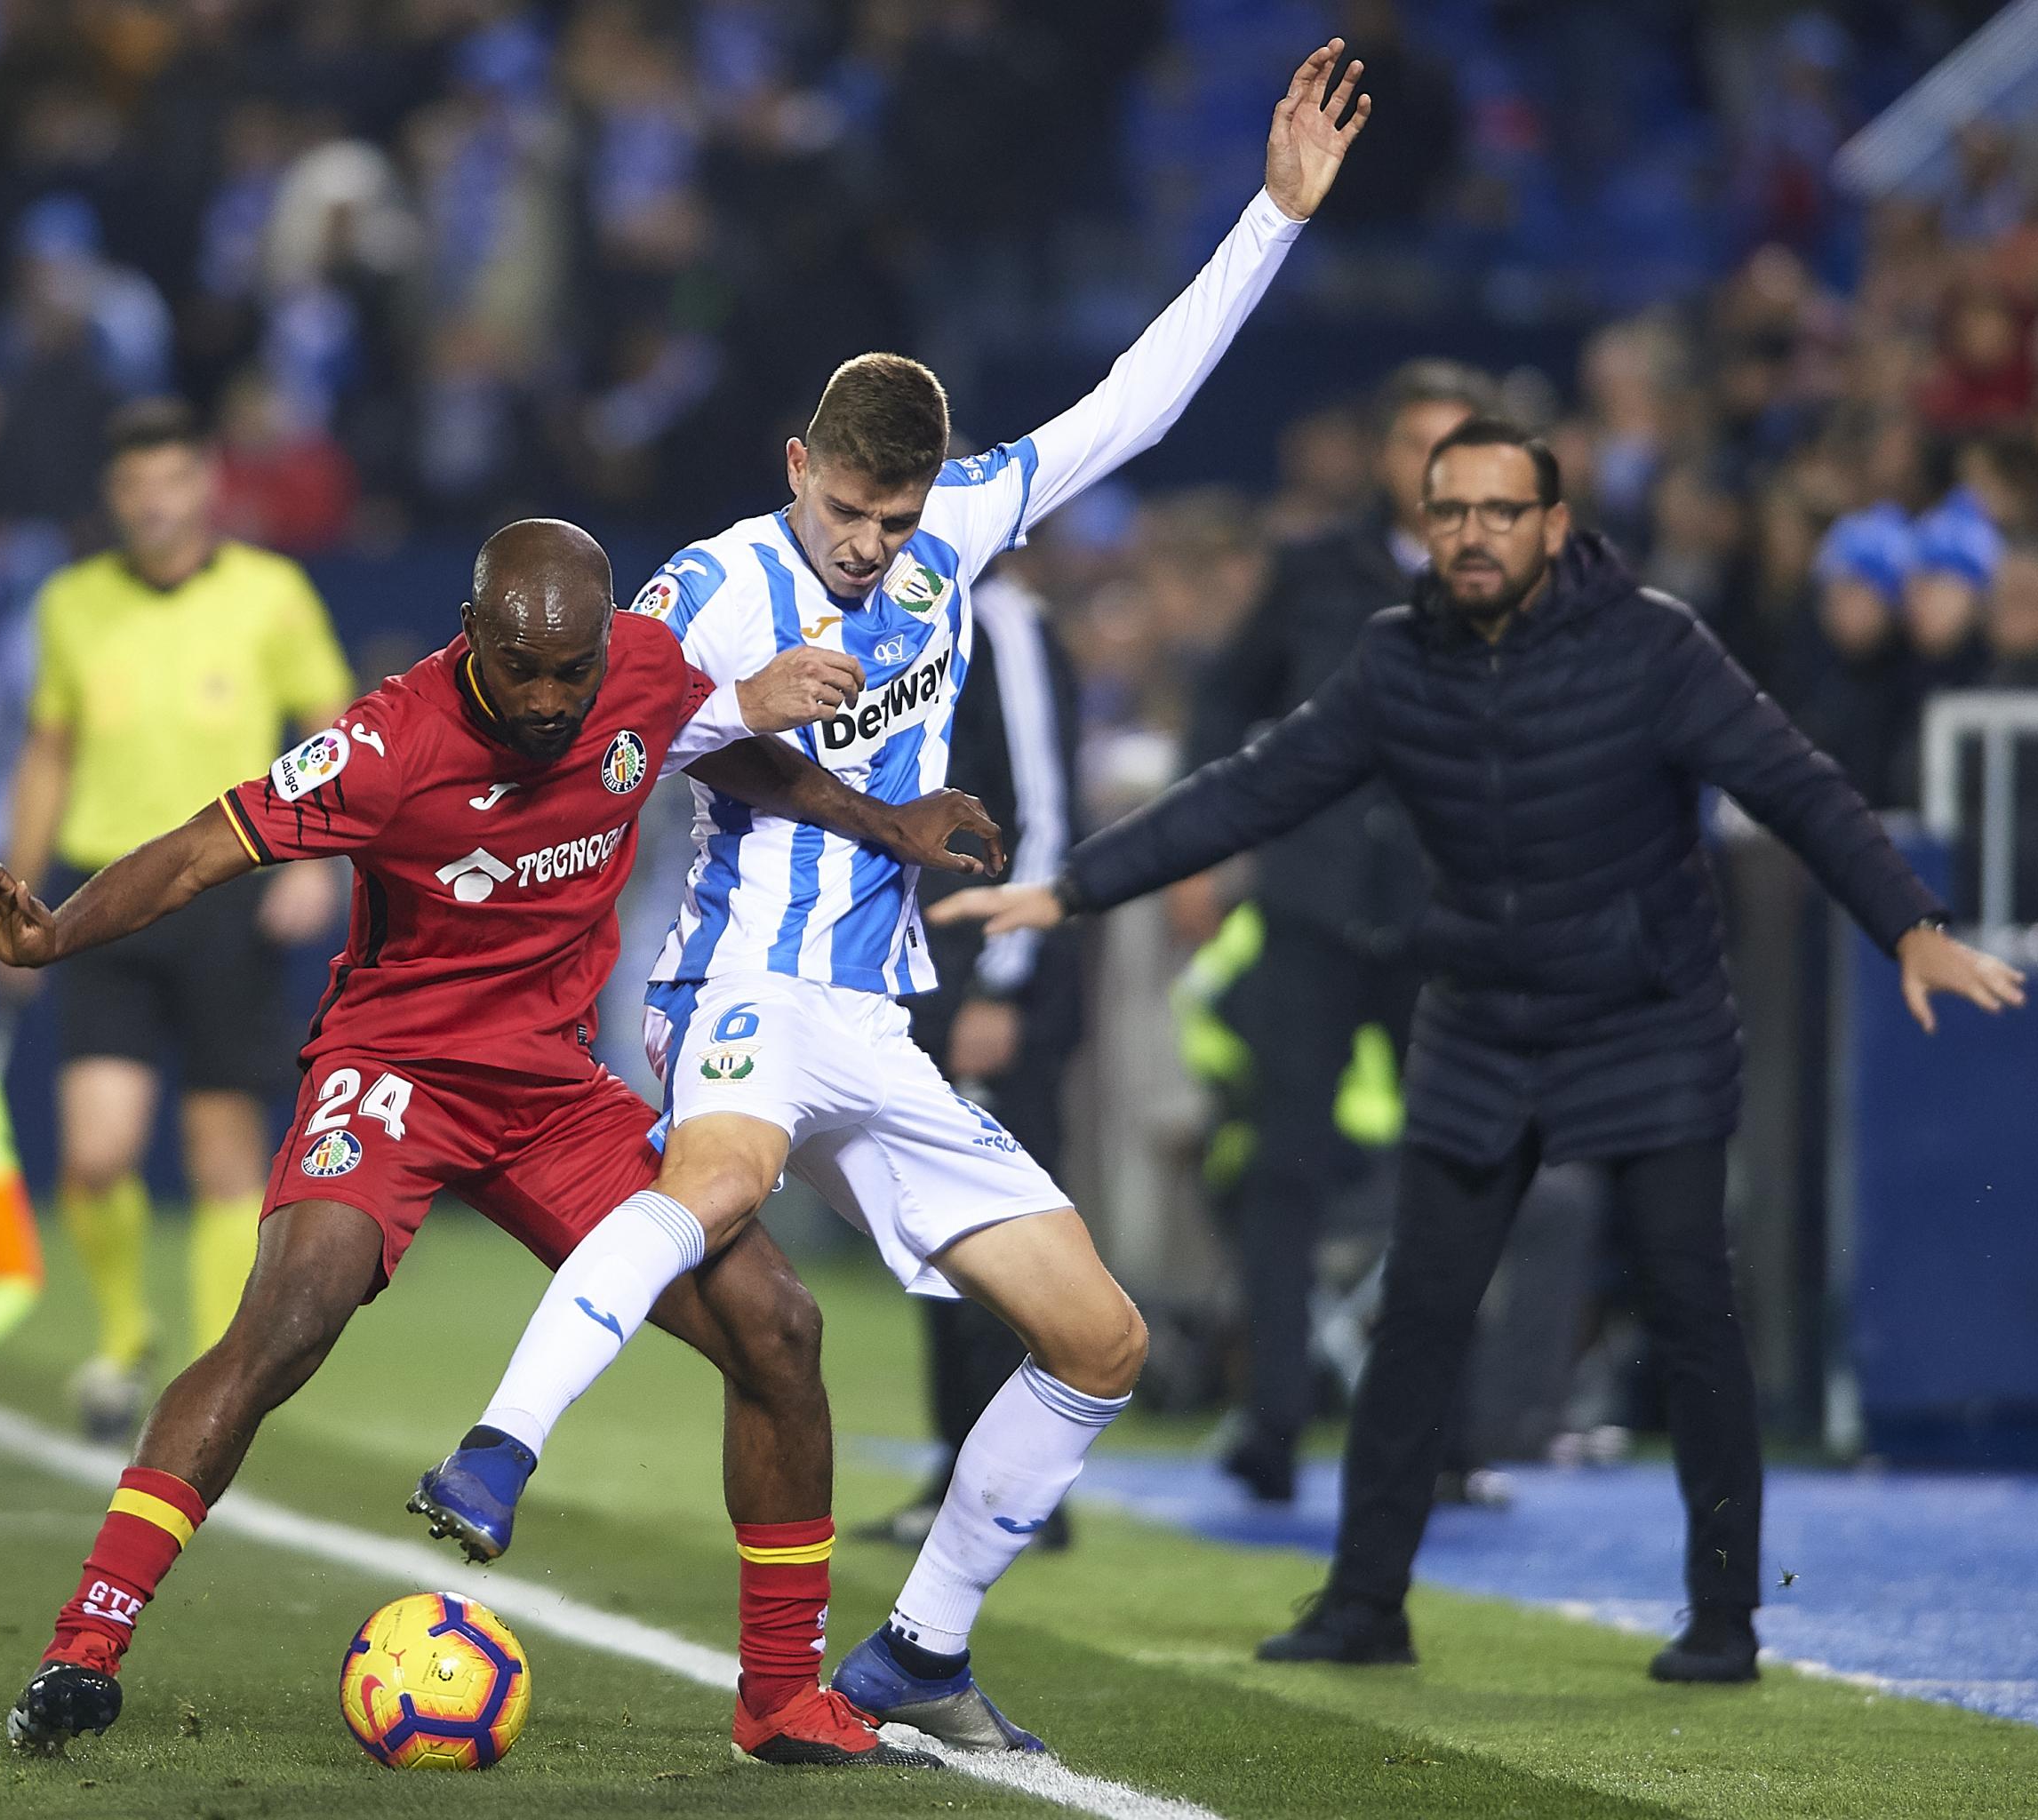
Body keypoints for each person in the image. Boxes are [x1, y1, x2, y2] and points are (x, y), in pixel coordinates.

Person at [409, 41, 1371, 1754]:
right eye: (851, 512)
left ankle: (919, 1646)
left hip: (878, 1018)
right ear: (799, 466)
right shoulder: (706, 588)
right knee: (710, 1185)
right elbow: (601, 750)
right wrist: (725, 709)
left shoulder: (959, 530)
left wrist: (1271, 221)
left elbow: (1133, 406)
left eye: (895, 515)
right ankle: (497, 1447)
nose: (869, 545)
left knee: (1100, 1335)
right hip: (737, 993)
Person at [931, 419, 2026, 1684]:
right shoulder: (1399, 661)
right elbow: (1261, 785)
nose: (1474, 534)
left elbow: (1799, 787)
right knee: (1419, 1315)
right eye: (1453, 511)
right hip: (1483, 1019)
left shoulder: (1656, 644)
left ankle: (1724, 1617)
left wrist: (1910, 925)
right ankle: (1364, 1605)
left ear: (1556, 528)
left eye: (1503, 512)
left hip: (1648, 1017)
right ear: (1426, 519)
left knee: (1690, 1309)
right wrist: (1072, 891)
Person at [0, 519, 998, 1767]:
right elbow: (197, 853)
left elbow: (719, 751)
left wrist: (880, 820)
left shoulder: (645, 669)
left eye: (572, 670)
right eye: (520, 668)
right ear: (471, 634)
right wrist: (55, 934)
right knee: (291, 1319)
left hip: (552, 1092)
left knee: (778, 1324)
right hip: (396, 1072)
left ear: (607, 639)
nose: (550, 702)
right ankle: (84, 1646)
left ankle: (777, 1700)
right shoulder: (387, 743)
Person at [1, 396, 355, 1441]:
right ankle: (120, 1337)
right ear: (113, 497)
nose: (153, 504)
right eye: (133, 487)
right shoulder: (69, 603)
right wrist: (21, 898)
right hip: (103, 891)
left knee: (221, 1153)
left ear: (206, 483)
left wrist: (318, 860)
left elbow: (331, 732)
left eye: (170, 482)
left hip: (226, 891)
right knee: (98, 1151)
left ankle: (212, 1373)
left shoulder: (270, 593)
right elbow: (48, 750)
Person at [1187, 358, 1491, 1503]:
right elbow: (1226, 694)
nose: (1436, 468)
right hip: (1310, 902)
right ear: (1382, 455)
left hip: (1445, 915)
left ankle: (1446, 1435)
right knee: (1283, 1167)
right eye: (1418, 442)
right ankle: (1271, 1420)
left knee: (1456, 1167)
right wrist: (1210, 831)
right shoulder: (1316, 568)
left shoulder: (1512, 577)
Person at [864, 569, 1084, 1553]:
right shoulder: (911, 621)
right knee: (938, 1232)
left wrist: (1005, 981)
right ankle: (962, 1467)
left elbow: (1046, 805)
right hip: (924, 968)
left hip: (995, 969)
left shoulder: (1007, 621)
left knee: (1007, 1231)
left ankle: (1026, 1490)